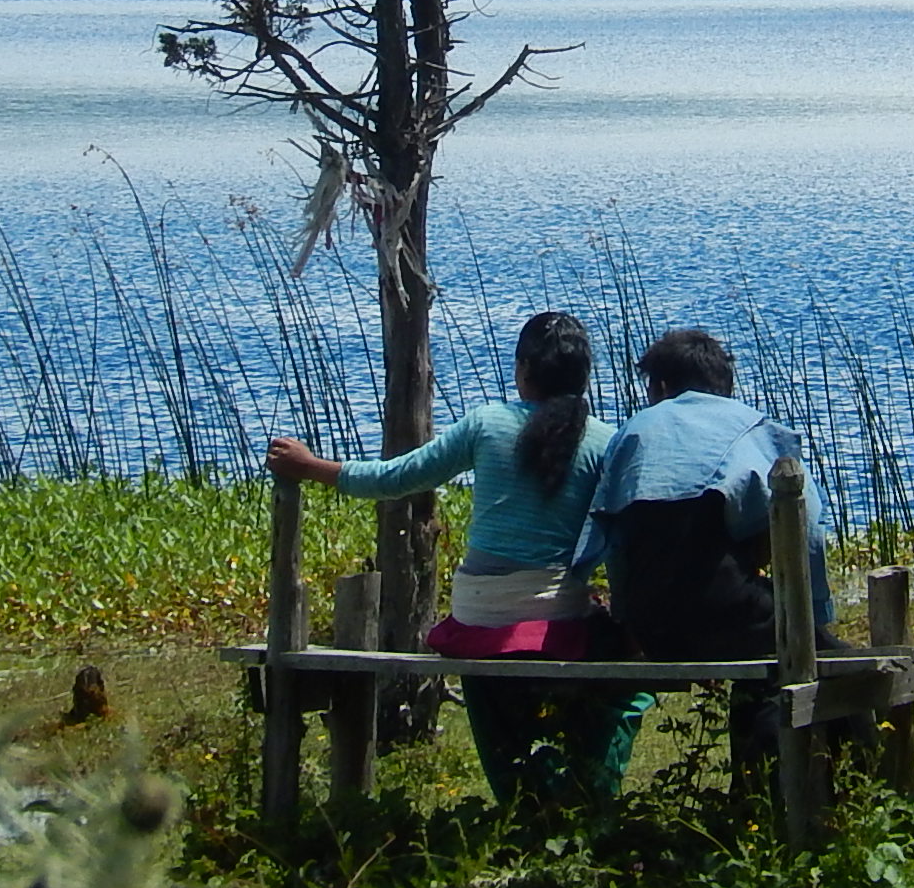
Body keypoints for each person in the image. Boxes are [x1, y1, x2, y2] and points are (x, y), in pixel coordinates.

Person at [265, 311, 652, 806]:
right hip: (557, 621)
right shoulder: (606, 441)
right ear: (584, 376)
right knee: (631, 688)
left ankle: (524, 803)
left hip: (478, 616)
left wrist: (311, 466)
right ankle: (588, 798)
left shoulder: (486, 424)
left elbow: (397, 477)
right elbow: (618, 538)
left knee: (504, 719)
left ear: (523, 370)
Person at [568, 327, 838, 795]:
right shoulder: (753, 428)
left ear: (662, 387)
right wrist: (813, 616)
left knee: (763, 647)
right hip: (723, 612)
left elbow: (609, 535)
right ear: (723, 386)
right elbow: (807, 529)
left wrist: (628, 619)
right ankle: (781, 794)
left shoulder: (632, 432)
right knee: (832, 662)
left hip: (653, 625)